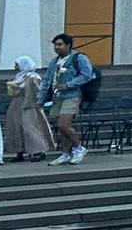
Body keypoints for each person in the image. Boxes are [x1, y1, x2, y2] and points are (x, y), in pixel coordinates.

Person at [41, 34, 95, 164]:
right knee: (61, 127)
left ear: (68, 45)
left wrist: (68, 85)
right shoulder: (54, 61)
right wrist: (41, 99)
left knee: (63, 124)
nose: (57, 47)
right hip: (57, 96)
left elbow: (86, 75)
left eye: (60, 44)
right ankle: (65, 153)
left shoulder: (78, 58)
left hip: (72, 95)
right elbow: (47, 80)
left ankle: (78, 147)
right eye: (55, 45)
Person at [2, 55, 54, 162]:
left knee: (31, 128)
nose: (14, 67)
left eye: (17, 64)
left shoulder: (33, 77)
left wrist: (17, 87)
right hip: (16, 104)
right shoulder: (19, 76)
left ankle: (38, 151)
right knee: (16, 127)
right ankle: (19, 151)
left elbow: (36, 91)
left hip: (29, 105)